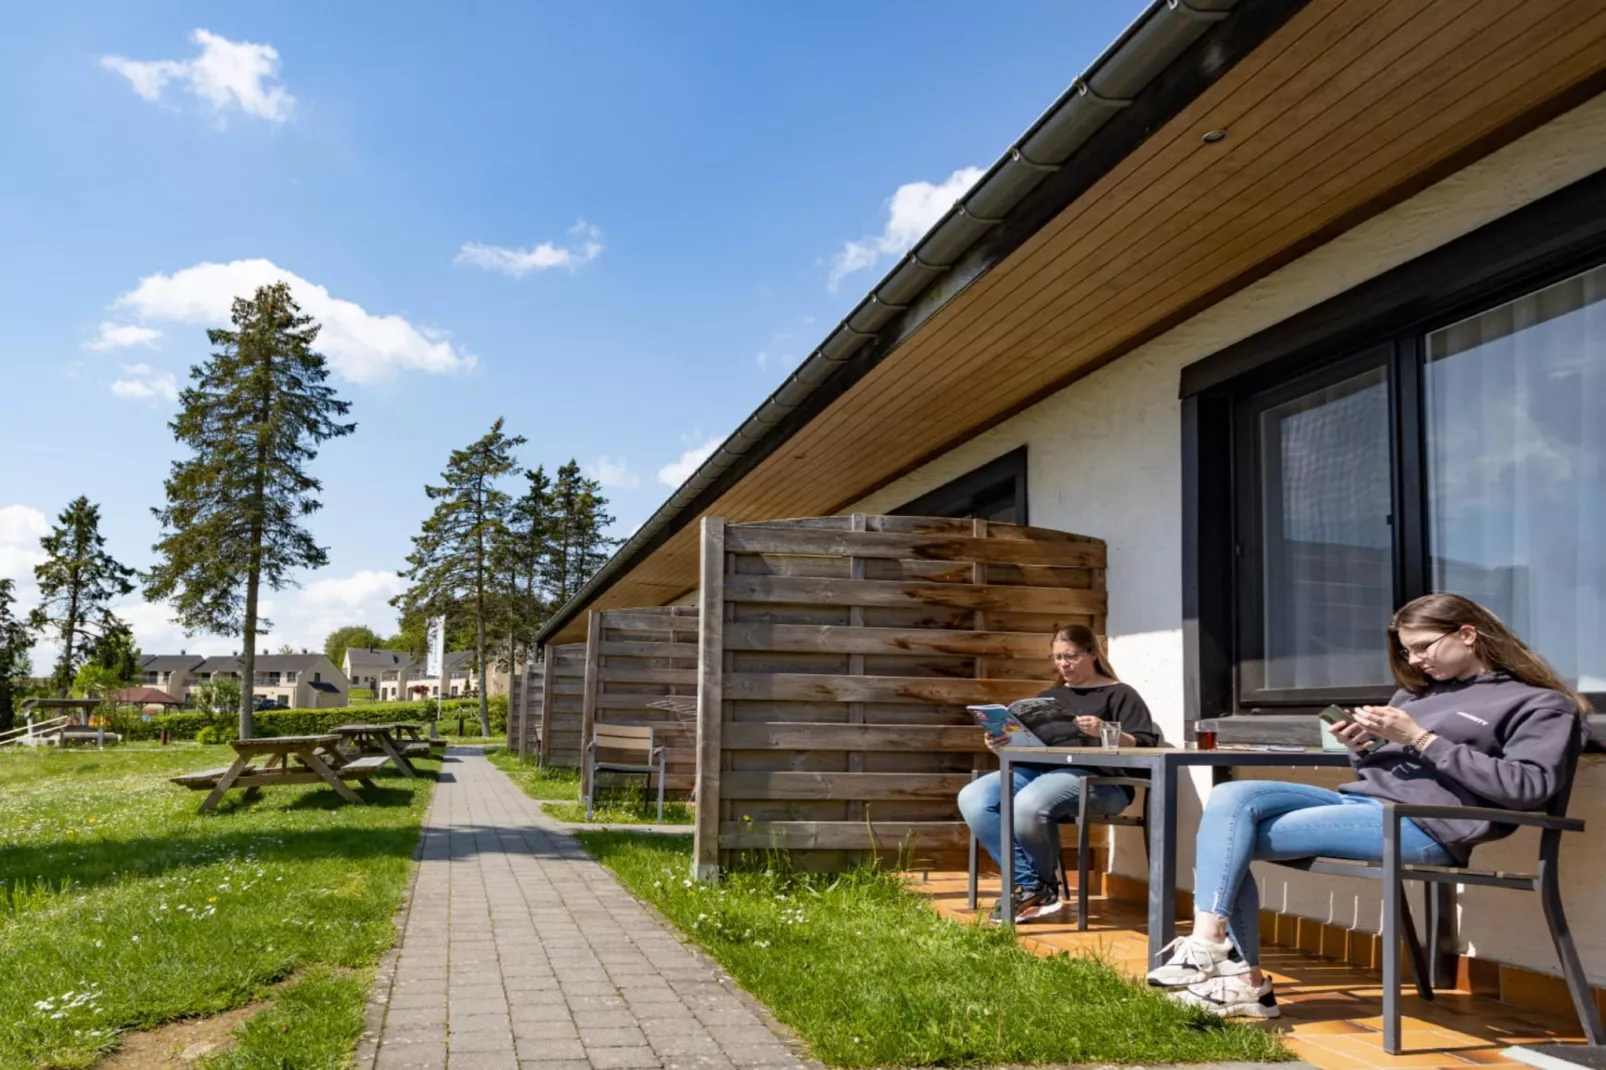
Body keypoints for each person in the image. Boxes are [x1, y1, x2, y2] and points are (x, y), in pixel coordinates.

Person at [1148, 593, 1590, 1019]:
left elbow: (1529, 787)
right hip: (1365, 802)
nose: (1415, 661)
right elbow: (1383, 769)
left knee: (1229, 843)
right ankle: (1211, 945)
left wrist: (1420, 737)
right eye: (1407, 651)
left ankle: (1240, 979)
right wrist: (1361, 747)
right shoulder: (1418, 695)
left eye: (1422, 647)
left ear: (1469, 634)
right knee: (1232, 798)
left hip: (1426, 828)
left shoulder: (1540, 703)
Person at [957, 624, 1162, 924]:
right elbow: (1031, 747)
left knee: (1029, 802)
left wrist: (1104, 730)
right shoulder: (1048, 697)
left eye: (1071, 656)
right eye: (1057, 658)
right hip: (1041, 771)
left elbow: (1145, 742)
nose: (1064, 664)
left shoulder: (1121, 694)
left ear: (1093, 653)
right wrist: (1001, 743)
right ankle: (1031, 884)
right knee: (973, 797)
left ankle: (1038, 888)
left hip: (1101, 781)